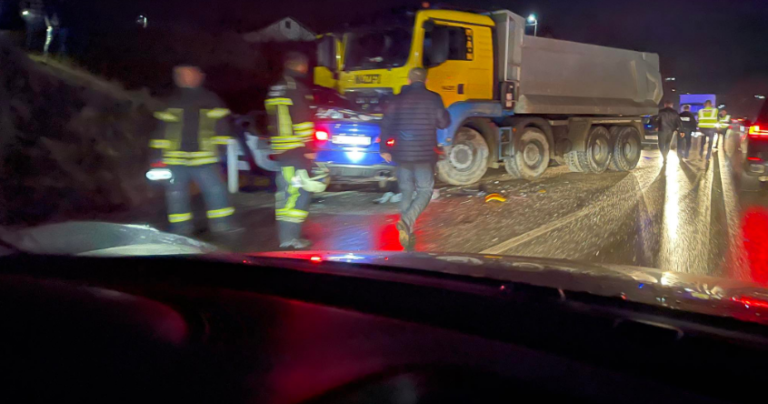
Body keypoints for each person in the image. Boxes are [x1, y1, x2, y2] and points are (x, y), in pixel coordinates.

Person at [150, 64, 237, 236]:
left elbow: (222, 127)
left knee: (216, 192)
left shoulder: (210, 99)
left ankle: (222, 225)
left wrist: (219, 150)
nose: (181, 77)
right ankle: (181, 230)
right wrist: (156, 157)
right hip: (174, 159)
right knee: (176, 196)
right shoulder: (171, 101)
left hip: (204, 158)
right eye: (179, 75)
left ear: (198, 76)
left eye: (186, 74)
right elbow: (160, 131)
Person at [380, 67, 451, 250]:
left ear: (408, 80)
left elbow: (386, 123)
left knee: (406, 191)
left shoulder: (397, 99)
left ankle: (407, 232)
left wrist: (384, 149)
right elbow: (443, 123)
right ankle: (407, 221)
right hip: (424, 153)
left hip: (401, 153)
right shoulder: (433, 98)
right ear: (426, 81)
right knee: (425, 190)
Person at [265, 52, 320, 250]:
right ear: (301, 67)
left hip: (282, 150)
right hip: (295, 151)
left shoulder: (276, 88)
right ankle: (289, 239)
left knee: (288, 192)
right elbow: (302, 121)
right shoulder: (296, 88)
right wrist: (309, 148)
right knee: (297, 194)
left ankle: (288, 236)